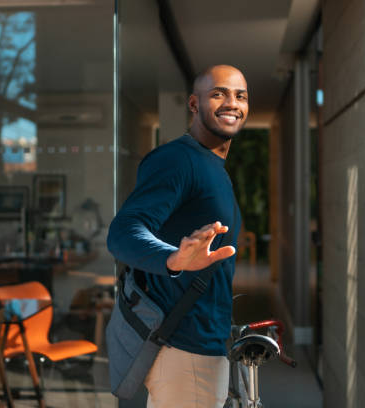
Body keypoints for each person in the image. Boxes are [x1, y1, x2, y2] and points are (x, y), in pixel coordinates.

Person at [107, 64, 249, 408]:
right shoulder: (177, 160)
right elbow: (123, 231)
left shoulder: (213, 166)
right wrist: (173, 259)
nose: (232, 102)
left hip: (202, 345)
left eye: (240, 95)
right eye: (218, 93)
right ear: (193, 104)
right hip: (185, 350)